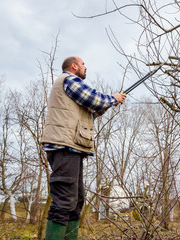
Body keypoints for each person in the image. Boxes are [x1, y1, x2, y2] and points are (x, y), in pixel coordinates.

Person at [41, 56, 126, 239]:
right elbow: (94, 99)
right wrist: (112, 98)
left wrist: (111, 103)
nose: (85, 67)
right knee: (64, 201)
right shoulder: (69, 79)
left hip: (72, 148)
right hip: (64, 147)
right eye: (83, 64)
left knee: (76, 201)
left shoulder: (69, 87)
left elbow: (90, 111)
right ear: (74, 66)